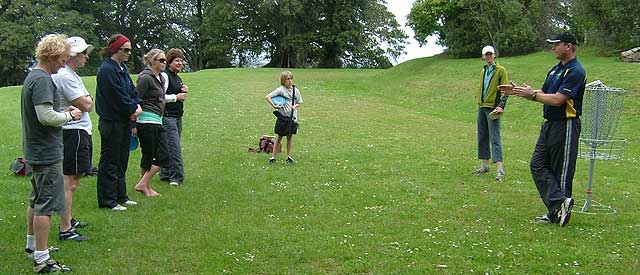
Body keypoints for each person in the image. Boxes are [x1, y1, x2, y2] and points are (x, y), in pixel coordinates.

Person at [509, 32, 586, 227]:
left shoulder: (576, 71)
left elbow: (558, 99)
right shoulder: (554, 70)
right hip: (549, 125)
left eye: (556, 44)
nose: (553, 47)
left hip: (566, 124)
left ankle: (557, 214)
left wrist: (533, 96)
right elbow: (544, 93)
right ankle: (558, 205)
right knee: (537, 164)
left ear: (568, 46)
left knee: (561, 171)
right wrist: (524, 92)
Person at [21, 33, 80, 273]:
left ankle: (32, 246)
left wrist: (61, 111)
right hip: (46, 152)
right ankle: (42, 260)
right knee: (46, 204)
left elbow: (44, 111)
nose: (64, 64)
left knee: (36, 199)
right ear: (53, 56)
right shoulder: (43, 80)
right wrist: (69, 115)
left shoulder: (33, 77)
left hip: (35, 149)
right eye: (64, 59)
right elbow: (46, 117)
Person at [51, 36, 95, 241]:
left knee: (74, 180)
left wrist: (87, 99)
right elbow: (86, 105)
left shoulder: (71, 75)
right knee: (69, 181)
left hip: (78, 131)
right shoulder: (65, 76)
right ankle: (65, 228)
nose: (86, 57)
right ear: (72, 56)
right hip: (73, 131)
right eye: (82, 53)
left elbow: (87, 101)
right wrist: (88, 99)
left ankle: (68, 219)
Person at [95, 34, 142, 211]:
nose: (129, 53)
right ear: (115, 49)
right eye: (126, 50)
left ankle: (121, 196)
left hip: (124, 121)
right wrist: (132, 109)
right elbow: (117, 97)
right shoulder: (107, 69)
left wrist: (137, 106)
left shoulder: (122, 68)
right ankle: (108, 200)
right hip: (112, 122)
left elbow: (132, 92)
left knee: (122, 159)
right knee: (110, 161)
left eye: (130, 50)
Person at [133, 49, 170, 196]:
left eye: (165, 60)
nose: (164, 63)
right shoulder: (145, 78)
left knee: (150, 156)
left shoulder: (159, 77)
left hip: (156, 120)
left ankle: (146, 187)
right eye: (161, 60)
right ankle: (143, 184)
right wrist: (133, 124)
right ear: (152, 61)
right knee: (161, 155)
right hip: (146, 121)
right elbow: (136, 99)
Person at [473, 45, 509, 181]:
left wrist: (501, 105)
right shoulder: (483, 70)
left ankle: (500, 169)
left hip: (493, 108)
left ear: (494, 55)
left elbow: (506, 90)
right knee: (482, 136)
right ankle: (485, 165)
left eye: (490, 54)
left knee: (495, 137)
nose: (488, 57)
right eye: (486, 55)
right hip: (482, 106)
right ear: (483, 57)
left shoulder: (501, 70)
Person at [159, 48, 188, 186]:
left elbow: (176, 90)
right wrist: (176, 97)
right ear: (169, 62)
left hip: (177, 116)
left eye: (181, 60)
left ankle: (165, 173)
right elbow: (159, 96)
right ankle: (176, 177)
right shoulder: (164, 75)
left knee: (168, 146)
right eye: (177, 60)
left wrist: (182, 89)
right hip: (168, 116)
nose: (180, 63)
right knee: (174, 147)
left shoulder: (177, 76)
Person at [265, 71, 303, 164]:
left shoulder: (295, 90)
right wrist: (274, 106)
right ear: (283, 80)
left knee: (289, 137)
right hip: (282, 118)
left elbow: (299, 102)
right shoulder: (280, 90)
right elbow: (268, 96)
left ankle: (288, 157)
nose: (290, 81)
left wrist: (295, 106)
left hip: (292, 118)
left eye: (291, 78)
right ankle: (273, 157)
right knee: (279, 137)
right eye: (288, 79)